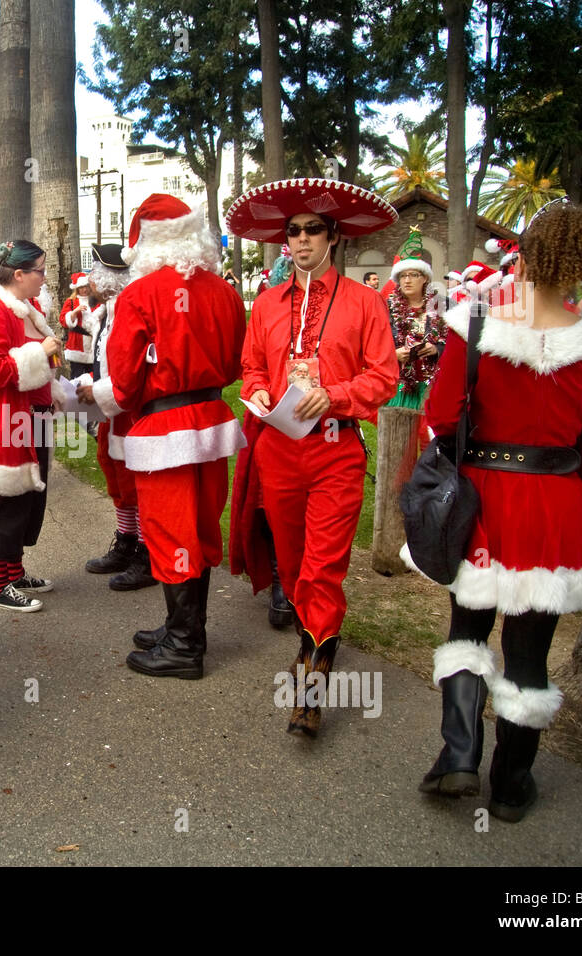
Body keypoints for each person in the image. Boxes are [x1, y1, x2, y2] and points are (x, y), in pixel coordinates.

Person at [410, 204, 582, 823]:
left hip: (480, 499)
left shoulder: (471, 328)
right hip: (557, 505)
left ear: (522, 257)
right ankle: (510, 785)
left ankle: (458, 755)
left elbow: (444, 418)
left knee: (467, 630)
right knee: (529, 654)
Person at [228, 176, 399, 735]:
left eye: (312, 230)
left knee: (323, 567)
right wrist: (255, 390)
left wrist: (339, 394)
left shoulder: (366, 303)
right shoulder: (267, 305)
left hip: (335, 450)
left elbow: (385, 376)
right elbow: (252, 365)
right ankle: (317, 636)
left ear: (334, 236)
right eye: (292, 232)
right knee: (296, 564)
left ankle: (310, 685)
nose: (300, 240)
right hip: (278, 448)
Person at [90, 194, 246, 680]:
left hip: (164, 427)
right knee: (199, 529)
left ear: (146, 242)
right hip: (212, 420)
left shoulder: (140, 294)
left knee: (171, 532)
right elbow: (237, 362)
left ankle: (184, 645)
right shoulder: (224, 291)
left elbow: (125, 379)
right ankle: (183, 628)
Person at [0, 238, 62, 612]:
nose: (43, 277)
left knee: (29, 499)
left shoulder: (22, 308)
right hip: (5, 417)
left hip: (30, 415)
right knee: (8, 500)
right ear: (19, 274)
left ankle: (14, 572)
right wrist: (41, 353)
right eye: (39, 270)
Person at [77, 242, 156, 591]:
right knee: (114, 473)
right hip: (110, 405)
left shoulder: (131, 306)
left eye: (97, 270)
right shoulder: (106, 310)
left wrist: (105, 391)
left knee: (134, 481)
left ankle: (146, 550)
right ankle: (126, 539)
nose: (92, 277)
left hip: (131, 407)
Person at [386, 231, 446, 412]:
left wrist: (436, 349)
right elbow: (376, 345)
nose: (407, 280)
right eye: (403, 276)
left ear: (425, 278)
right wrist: (394, 355)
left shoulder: (443, 306)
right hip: (400, 383)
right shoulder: (387, 309)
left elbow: (455, 343)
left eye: (413, 275)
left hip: (434, 381)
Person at [59, 272, 97, 379]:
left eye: (86, 287)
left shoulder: (95, 300)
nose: (84, 290)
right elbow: (63, 320)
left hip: (92, 345)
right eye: (81, 287)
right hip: (77, 345)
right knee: (77, 378)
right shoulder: (71, 301)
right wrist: (75, 312)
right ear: (77, 289)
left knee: (93, 377)